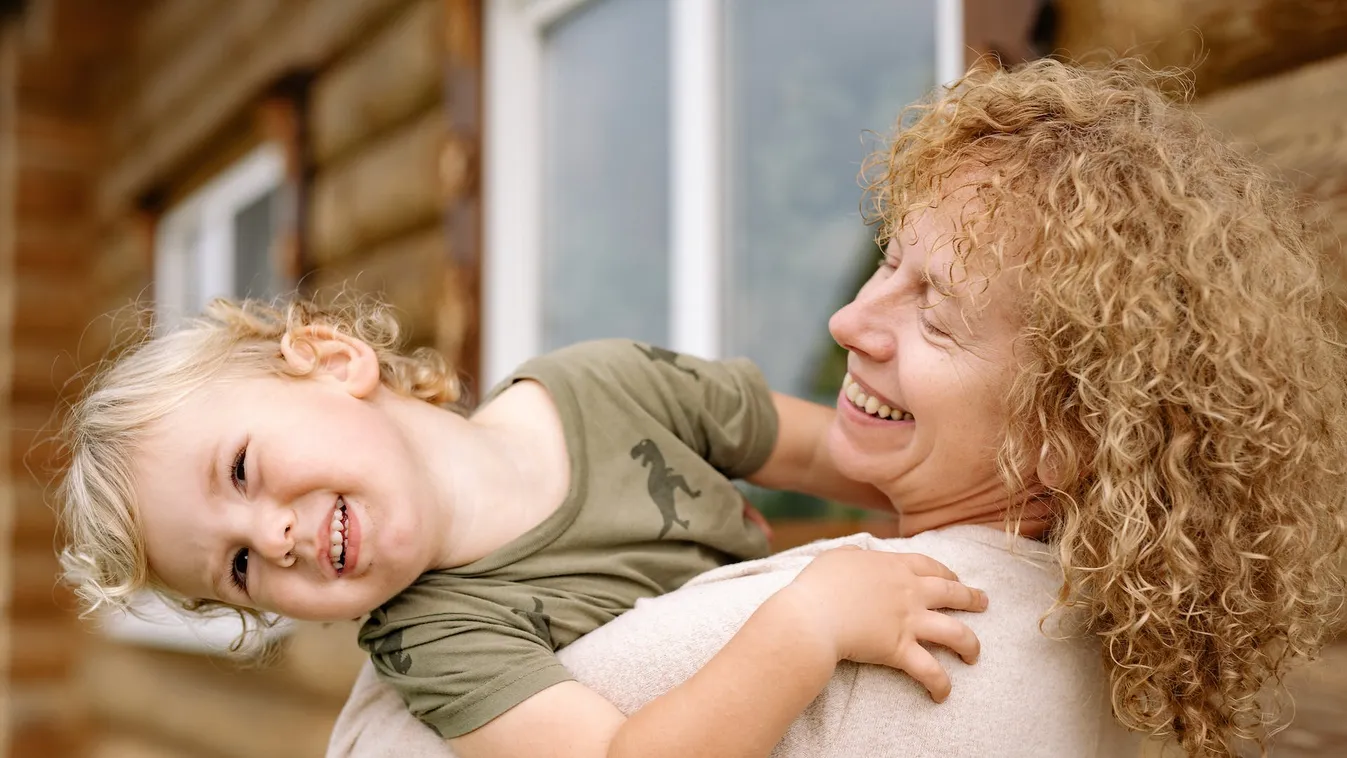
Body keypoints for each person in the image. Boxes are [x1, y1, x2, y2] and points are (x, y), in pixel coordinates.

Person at [327, 57, 1347, 758]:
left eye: (935, 314)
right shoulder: (1089, 639)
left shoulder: (893, 630)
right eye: (886, 262)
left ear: (1072, 426)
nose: (851, 317)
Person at [56, 295, 993, 757]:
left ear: (334, 358)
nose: (274, 539)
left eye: (242, 471)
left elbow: (847, 461)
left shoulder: (604, 382)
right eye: (238, 569)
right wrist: (811, 622)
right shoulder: (432, 637)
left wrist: (985, 515)